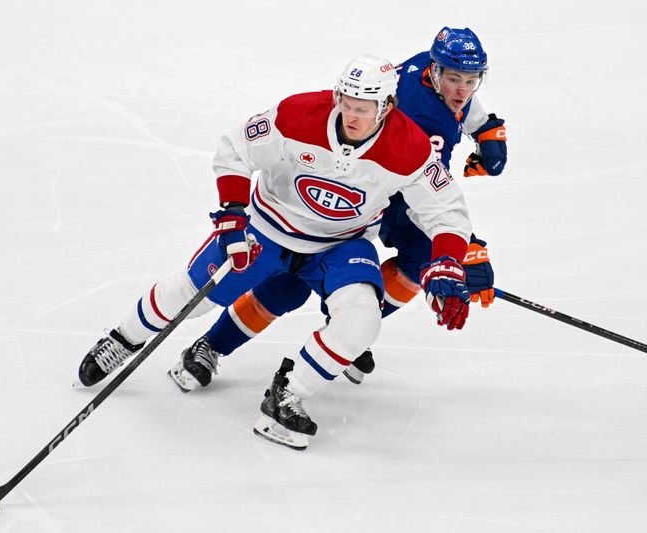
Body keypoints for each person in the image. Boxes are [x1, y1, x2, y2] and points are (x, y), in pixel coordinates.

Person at [76, 52, 474, 449]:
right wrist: (233, 215)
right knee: (192, 295)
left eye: (363, 109)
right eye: (346, 104)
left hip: (340, 246)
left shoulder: (411, 147)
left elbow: (447, 212)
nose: (351, 116)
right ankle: (122, 339)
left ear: (387, 106)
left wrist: (447, 261)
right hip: (267, 230)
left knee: (361, 321)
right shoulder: (298, 114)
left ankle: (286, 394)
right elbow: (235, 149)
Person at [163, 27, 509, 389]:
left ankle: (342, 336)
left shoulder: (426, 69)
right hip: (376, 197)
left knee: (411, 263)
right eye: (455, 79)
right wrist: (464, 246)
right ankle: (219, 344)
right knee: (296, 281)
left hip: (384, 191)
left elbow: (463, 111)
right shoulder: (413, 113)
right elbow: (428, 191)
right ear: (436, 73)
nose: (462, 90)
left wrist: (487, 130)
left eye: (471, 81)